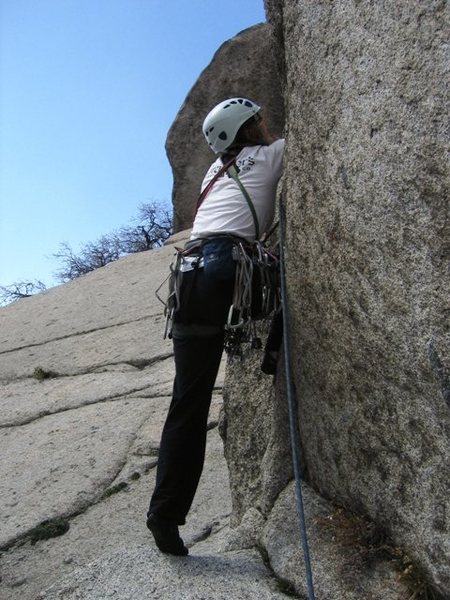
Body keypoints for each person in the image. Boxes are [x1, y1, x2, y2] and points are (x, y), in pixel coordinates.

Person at [146, 97, 284, 556]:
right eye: (259, 120)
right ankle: (276, 347)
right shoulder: (268, 157)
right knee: (286, 282)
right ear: (248, 127)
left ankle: (164, 514)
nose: (266, 125)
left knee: (187, 401)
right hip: (229, 268)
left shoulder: (211, 175)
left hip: (189, 275)